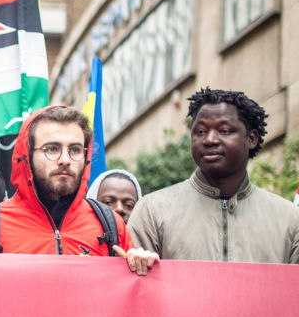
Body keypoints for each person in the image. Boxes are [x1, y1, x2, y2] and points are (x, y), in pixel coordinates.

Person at [0, 104, 157, 275]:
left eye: (75, 150)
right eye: (52, 149)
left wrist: (141, 269)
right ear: (27, 155)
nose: (65, 159)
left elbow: (130, 302)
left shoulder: (110, 224)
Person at [127, 88, 299, 263]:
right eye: (200, 131)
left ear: (251, 138)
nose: (210, 140)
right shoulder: (152, 211)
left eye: (224, 131)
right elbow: (134, 286)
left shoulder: (291, 219)